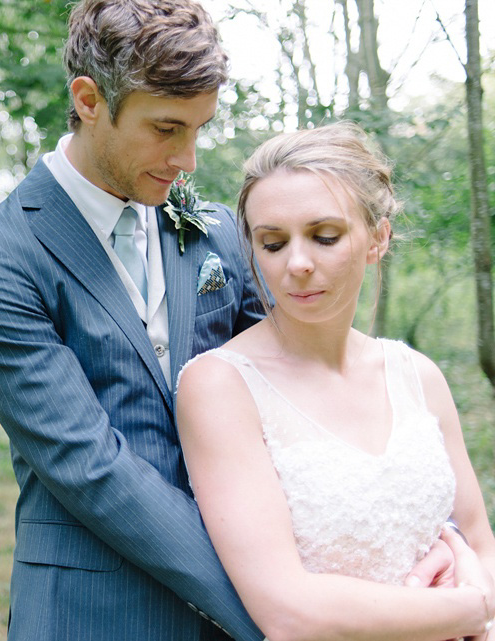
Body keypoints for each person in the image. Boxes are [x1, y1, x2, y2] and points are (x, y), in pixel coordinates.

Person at [0, 1, 267, 638]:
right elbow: (88, 465)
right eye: (167, 128)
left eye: (199, 129)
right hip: (94, 609)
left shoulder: (218, 232)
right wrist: (272, 610)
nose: (188, 159)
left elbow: (291, 390)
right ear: (90, 100)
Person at [176, 121, 495, 641]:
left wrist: (478, 592)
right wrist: (464, 610)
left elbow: (480, 544)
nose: (297, 263)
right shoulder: (221, 387)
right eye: (273, 243)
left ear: (377, 238)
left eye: (324, 236)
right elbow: (286, 610)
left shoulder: (418, 376)